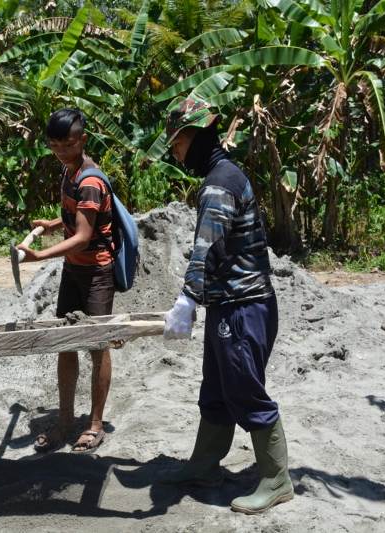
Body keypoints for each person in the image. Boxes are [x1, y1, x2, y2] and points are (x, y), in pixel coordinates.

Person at [161, 97, 293, 514]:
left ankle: (276, 480)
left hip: (242, 305)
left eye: (177, 145)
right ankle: (204, 465)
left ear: (192, 136)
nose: (176, 154)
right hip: (231, 305)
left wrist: (187, 298)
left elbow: (208, 247)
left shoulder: (220, 182)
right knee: (216, 388)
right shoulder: (224, 175)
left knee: (243, 390)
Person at [17, 108, 115, 454]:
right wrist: (54, 224)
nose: (60, 150)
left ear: (82, 140)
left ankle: (95, 424)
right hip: (74, 270)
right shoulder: (69, 171)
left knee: (96, 345)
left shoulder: (90, 181)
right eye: (55, 145)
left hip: (96, 273)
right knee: (65, 342)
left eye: (67, 144)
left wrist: (40, 256)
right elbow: (77, 220)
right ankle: (65, 420)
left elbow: (86, 235)